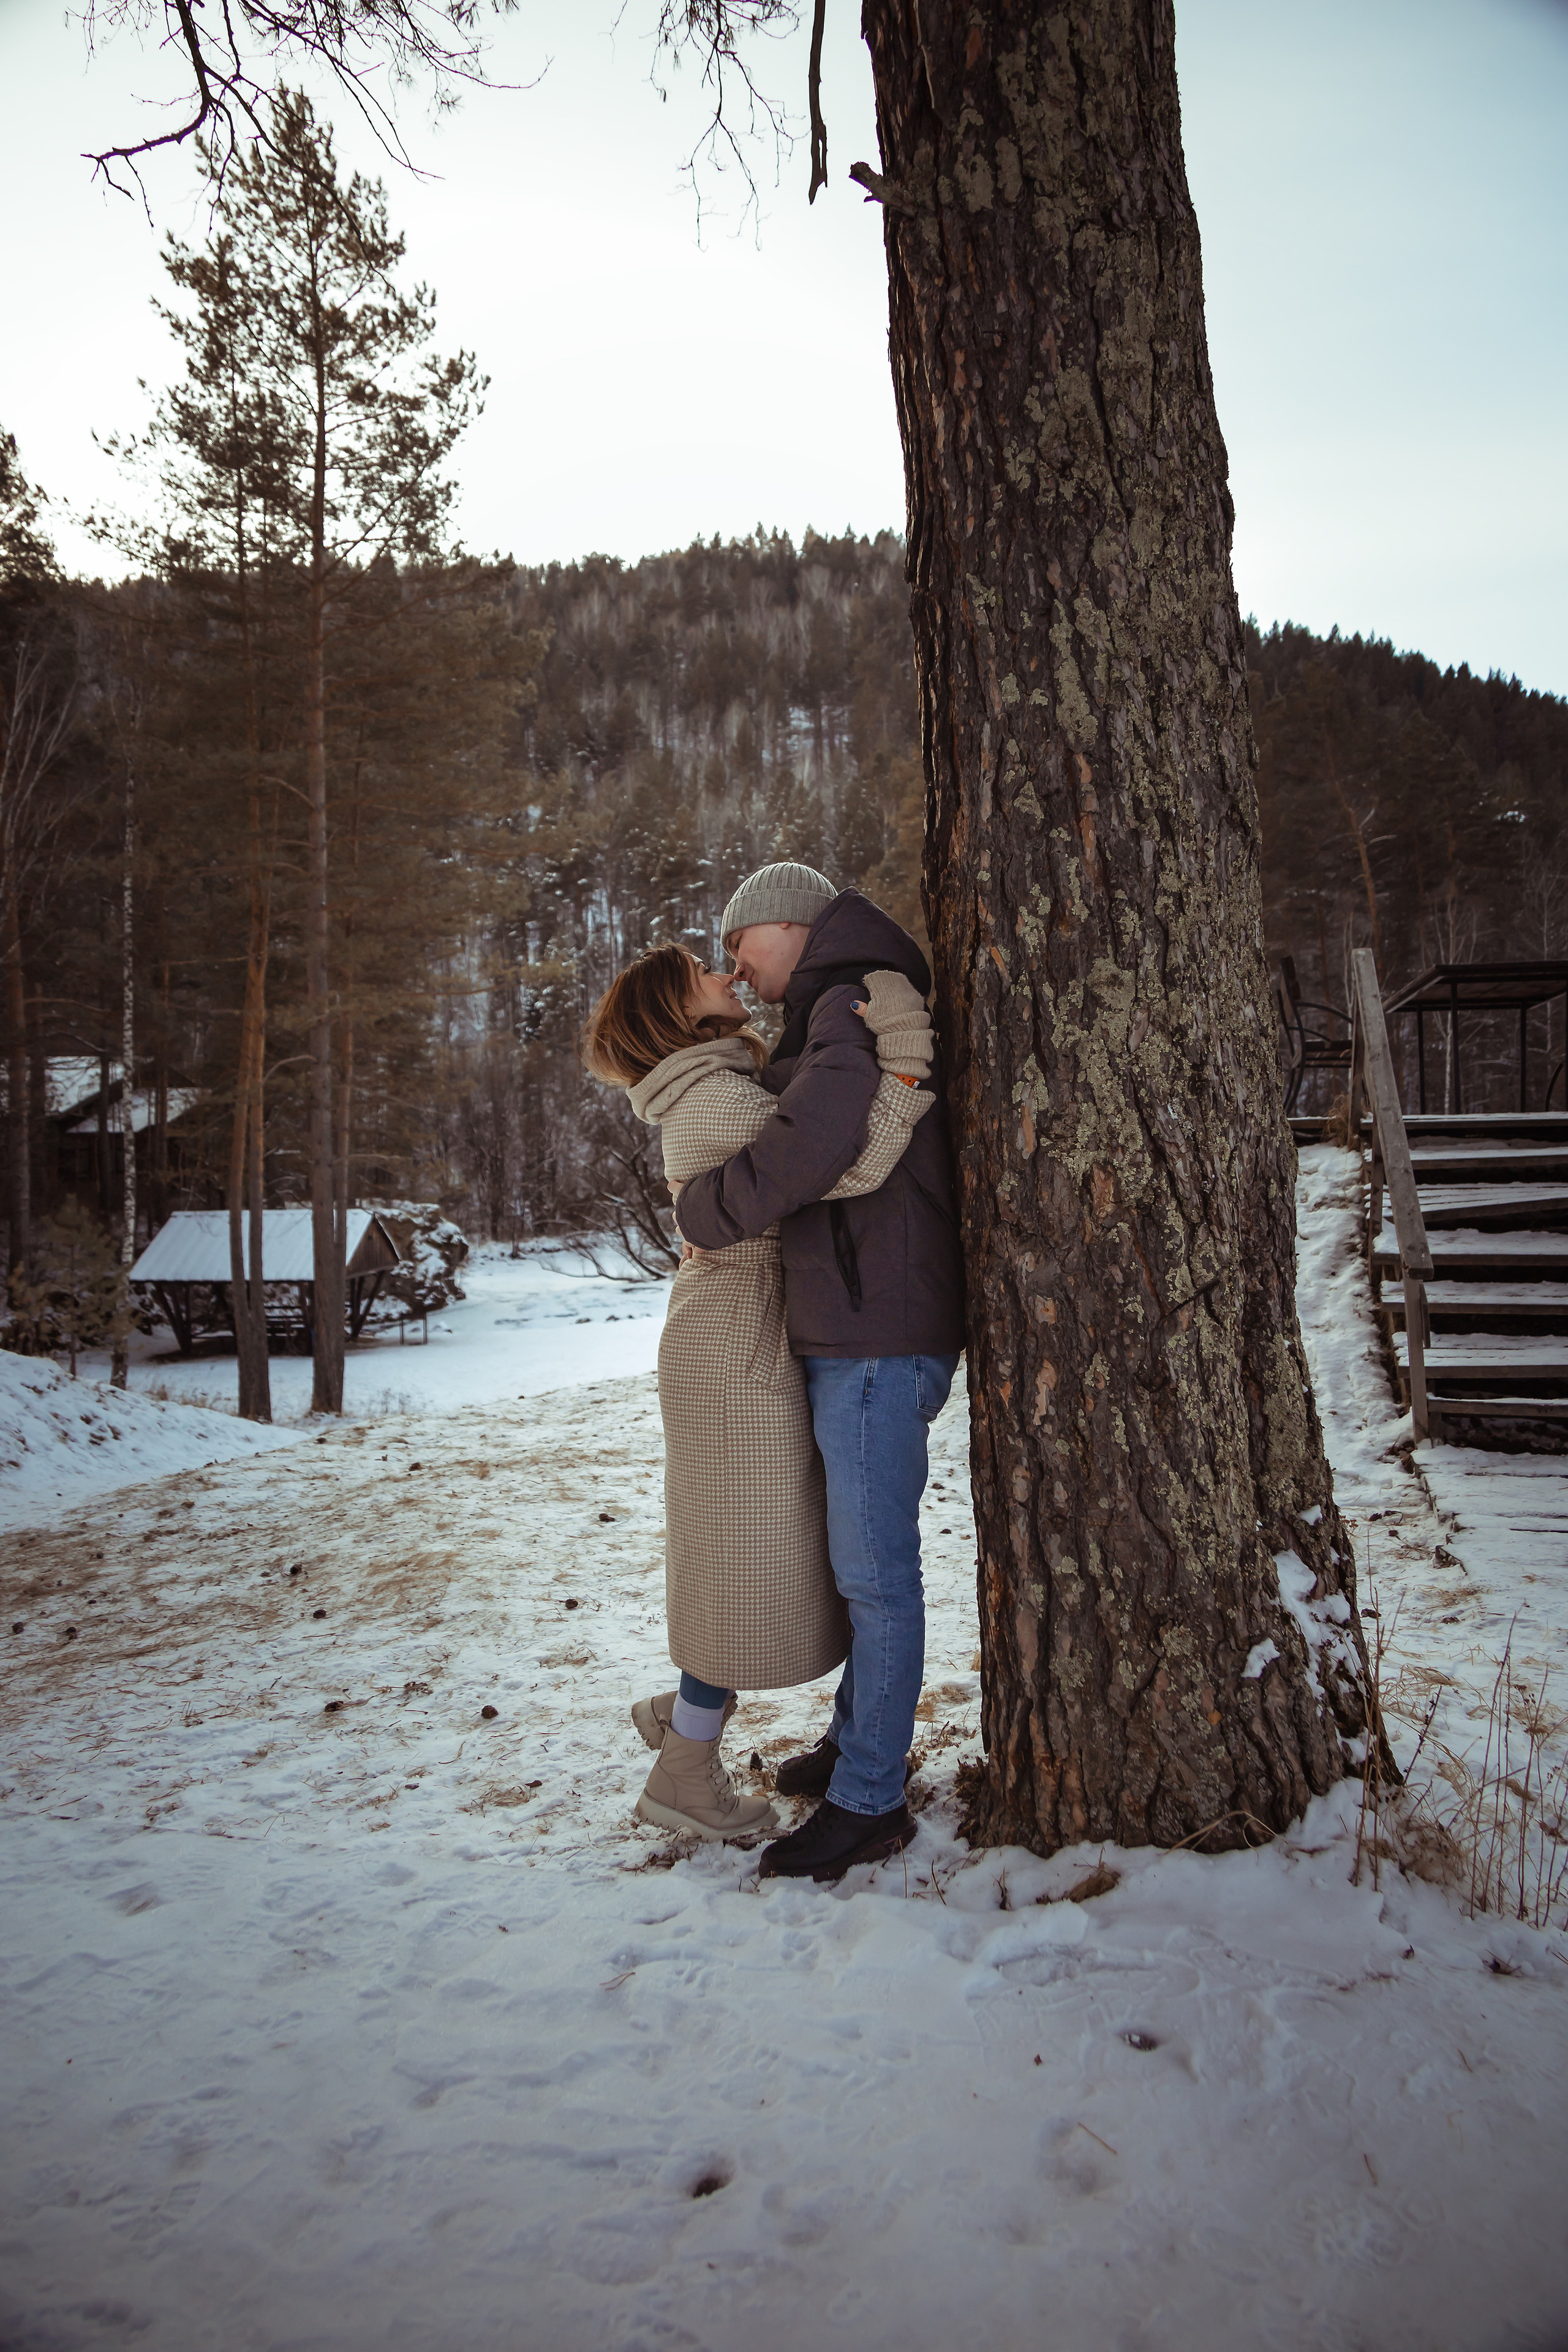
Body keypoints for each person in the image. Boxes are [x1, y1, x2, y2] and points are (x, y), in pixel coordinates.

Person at [584, 941, 937, 1845]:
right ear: (677, 1010)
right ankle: (685, 1773)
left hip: (743, 1335)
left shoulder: (718, 1082)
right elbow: (845, 1168)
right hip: (736, 1347)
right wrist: (902, 1066)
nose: (731, 977)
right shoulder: (711, 1097)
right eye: (711, 972)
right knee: (744, 1563)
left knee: (744, 1556)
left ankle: (686, 1729)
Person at [673, 862, 965, 1885]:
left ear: (782, 925)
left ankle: (868, 1803)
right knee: (862, 1568)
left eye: (741, 949)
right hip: (864, 1319)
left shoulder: (843, 997)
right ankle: (858, 1747)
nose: (738, 974)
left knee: (876, 1578)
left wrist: (703, 1214)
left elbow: (818, 1140)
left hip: (879, 1331)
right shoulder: (843, 1000)